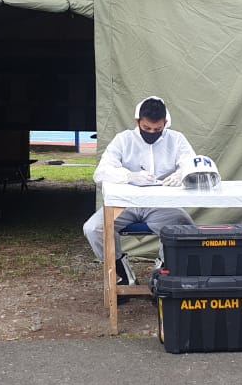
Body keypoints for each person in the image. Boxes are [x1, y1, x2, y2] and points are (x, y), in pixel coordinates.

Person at [81, 96, 197, 296]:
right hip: (125, 204)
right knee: (93, 228)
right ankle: (122, 273)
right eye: (147, 128)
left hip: (161, 204)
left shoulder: (176, 139)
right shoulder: (124, 139)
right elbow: (100, 173)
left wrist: (182, 174)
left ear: (165, 123)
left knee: (185, 226)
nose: (151, 133)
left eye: (157, 129)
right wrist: (128, 176)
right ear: (137, 122)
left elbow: (191, 163)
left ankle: (164, 272)